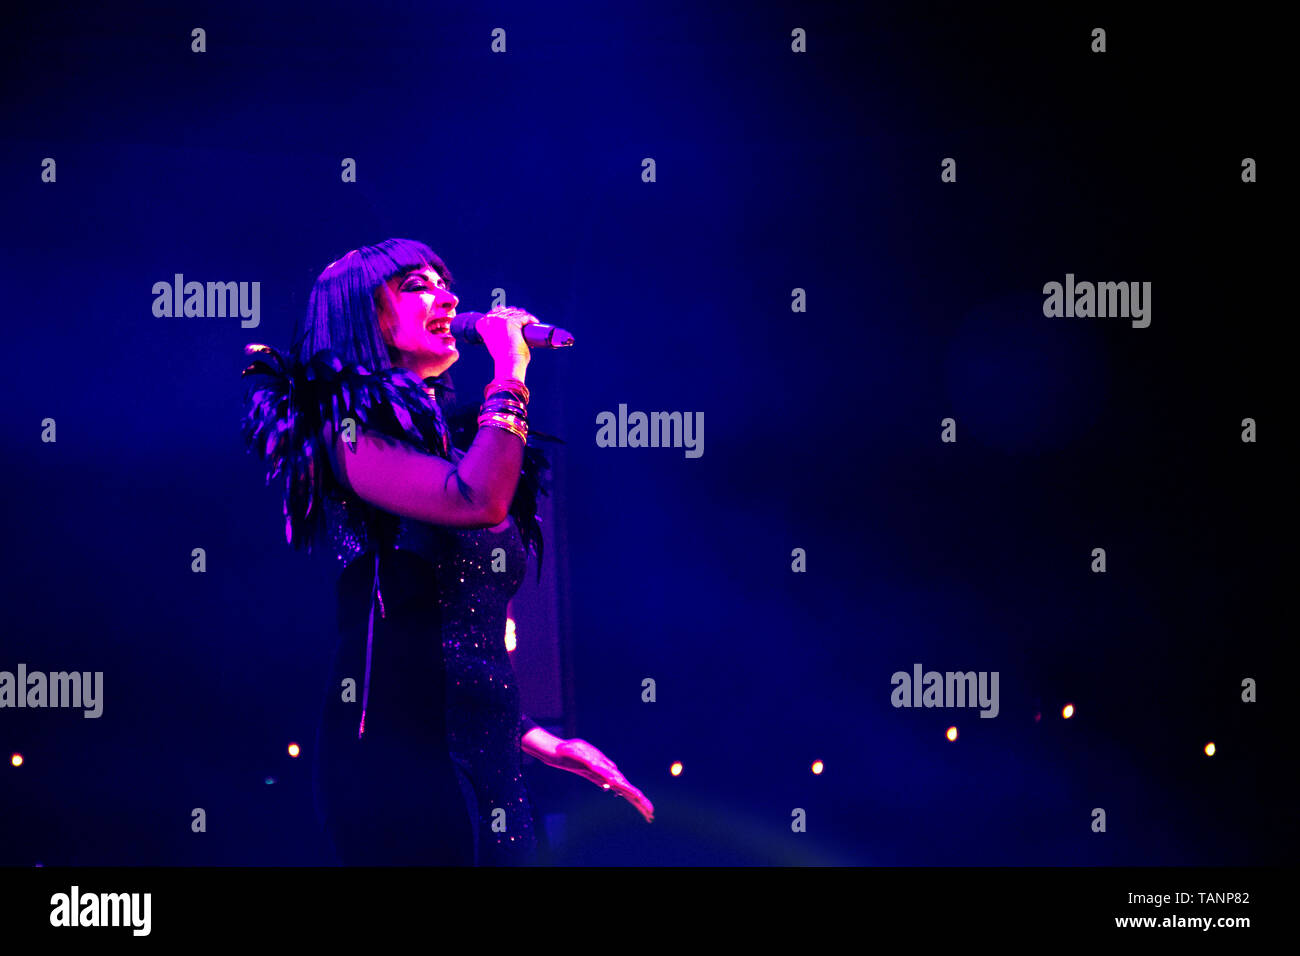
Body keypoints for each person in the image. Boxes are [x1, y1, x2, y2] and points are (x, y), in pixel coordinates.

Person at [240, 238, 652, 865]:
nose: (450, 296)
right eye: (415, 285)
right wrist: (510, 376)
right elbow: (475, 503)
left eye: (445, 281)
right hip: (397, 756)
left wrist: (538, 740)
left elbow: (462, 638)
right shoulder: (346, 430)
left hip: (486, 754)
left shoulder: (459, 445)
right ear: (361, 317)